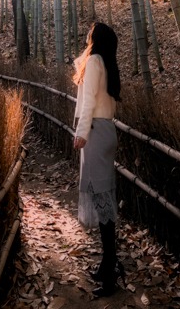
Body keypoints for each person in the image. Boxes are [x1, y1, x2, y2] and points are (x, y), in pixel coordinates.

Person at [73, 21, 122, 297]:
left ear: (96, 38)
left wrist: (81, 133)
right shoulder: (107, 63)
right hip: (107, 131)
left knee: (102, 203)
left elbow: (89, 101)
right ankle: (107, 265)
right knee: (105, 198)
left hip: (94, 131)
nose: (87, 34)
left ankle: (110, 273)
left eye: (91, 31)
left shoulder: (94, 61)